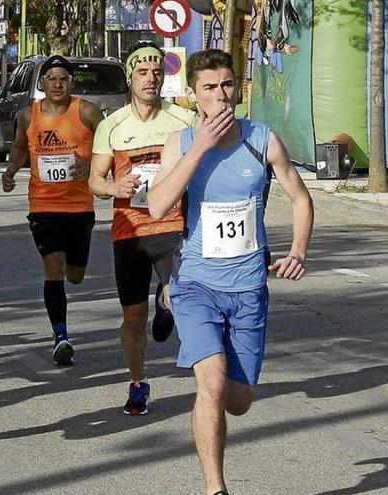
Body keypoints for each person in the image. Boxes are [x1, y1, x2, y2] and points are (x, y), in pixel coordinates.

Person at [148, 49, 313, 495]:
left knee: (237, 402)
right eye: (209, 88)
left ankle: (162, 300)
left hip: (248, 290)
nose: (221, 96)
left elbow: (300, 198)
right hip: (198, 283)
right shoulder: (180, 144)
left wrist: (297, 250)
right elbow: (158, 204)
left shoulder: (262, 140)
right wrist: (199, 145)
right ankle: (215, 489)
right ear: (192, 95)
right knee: (212, 383)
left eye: (227, 85)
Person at [88, 41, 198, 416]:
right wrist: (112, 188)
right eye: (141, 72)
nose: (150, 79)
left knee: (180, 298)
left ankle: (166, 303)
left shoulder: (183, 121)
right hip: (130, 232)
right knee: (133, 318)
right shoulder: (112, 126)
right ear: (130, 77)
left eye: (156, 72)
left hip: (174, 226)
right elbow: (94, 181)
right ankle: (137, 383)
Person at [1, 55, 102, 366]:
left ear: (71, 83)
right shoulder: (27, 115)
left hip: (80, 206)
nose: (58, 84)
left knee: (75, 275)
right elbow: (20, 147)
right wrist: (11, 171)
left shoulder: (86, 111)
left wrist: (93, 167)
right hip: (43, 205)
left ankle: (62, 329)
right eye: (52, 78)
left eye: (64, 79)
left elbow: (110, 145)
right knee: (53, 268)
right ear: (41, 84)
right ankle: (61, 337)